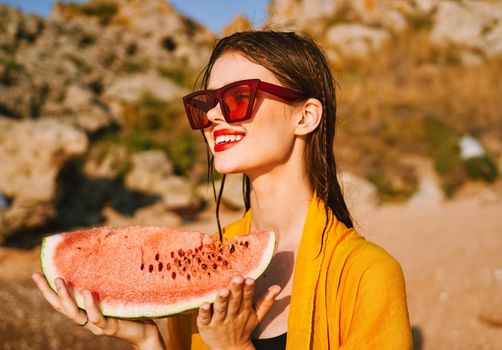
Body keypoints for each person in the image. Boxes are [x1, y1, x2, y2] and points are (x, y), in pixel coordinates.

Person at [33, 30, 412, 349]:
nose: (214, 116)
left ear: (305, 116)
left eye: (237, 98)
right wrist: (148, 341)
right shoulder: (201, 266)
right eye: (207, 103)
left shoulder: (368, 275)